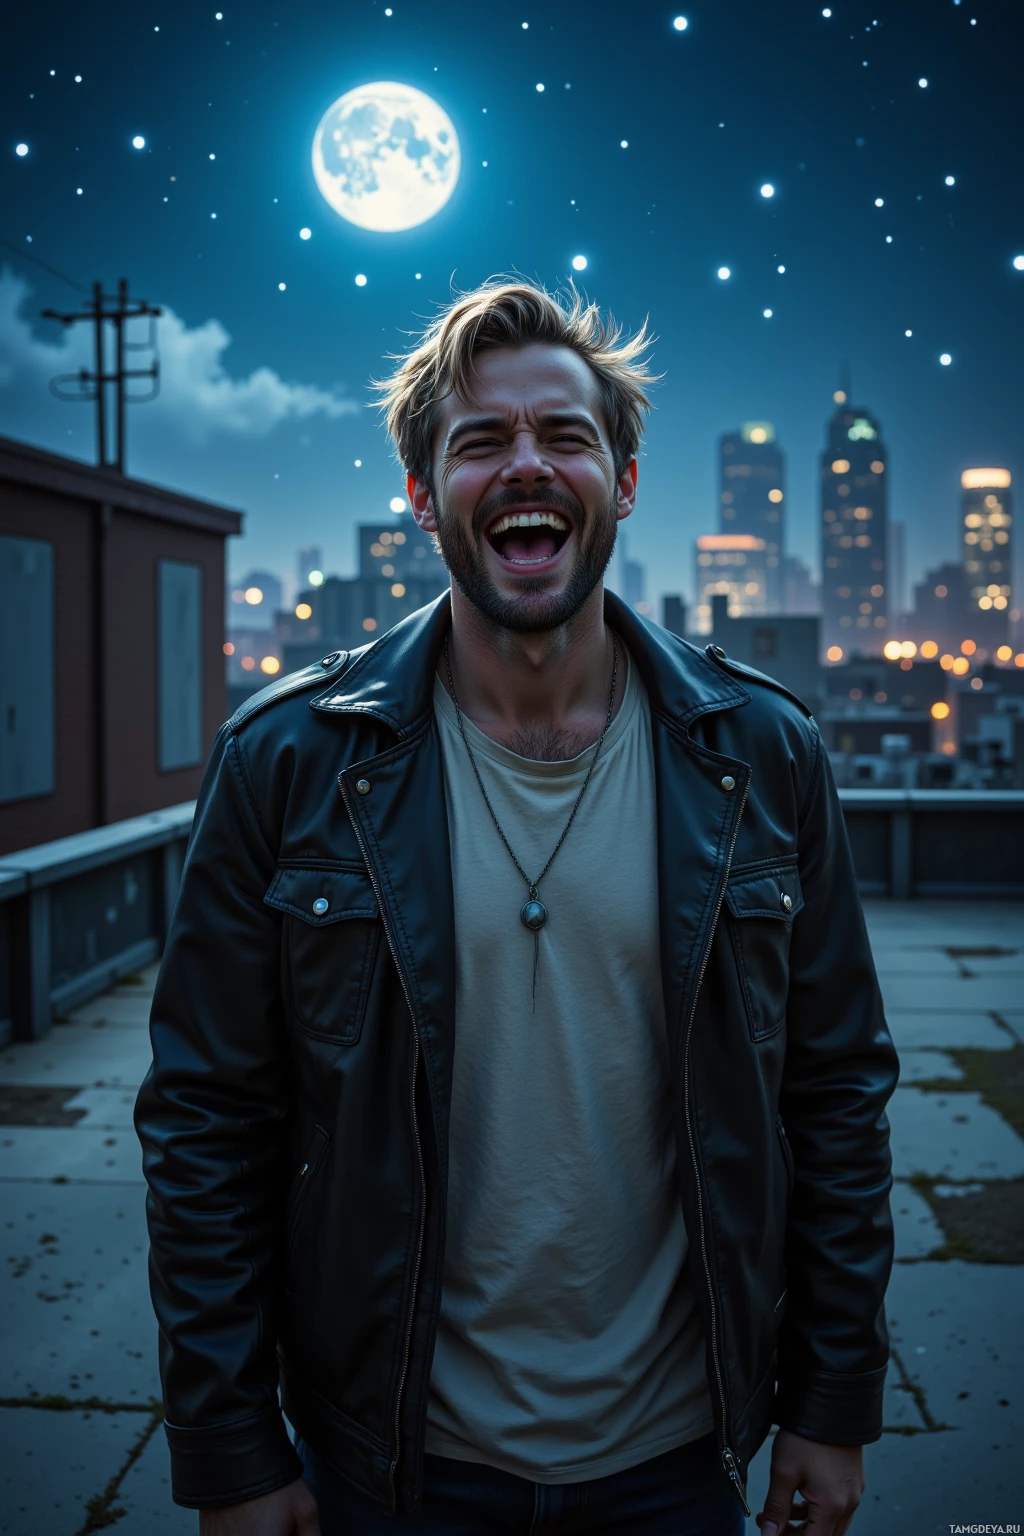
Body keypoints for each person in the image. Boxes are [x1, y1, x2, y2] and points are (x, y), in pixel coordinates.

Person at [135, 279, 899, 1536]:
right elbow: (208, 1119)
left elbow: (833, 1093)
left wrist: (832, 1401)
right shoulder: (286, 762)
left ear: (626, 482)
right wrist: (227, 1447)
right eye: (480, 441)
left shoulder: (761, 754)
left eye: (566, 436)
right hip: (387, 1464)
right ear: (426, 497)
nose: (526, 464)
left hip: (679, 1455)